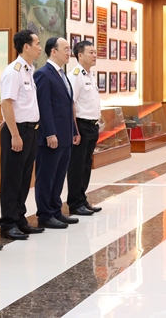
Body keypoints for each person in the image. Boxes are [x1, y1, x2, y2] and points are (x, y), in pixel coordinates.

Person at [0, 29, 44, 241]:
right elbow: (6, 103)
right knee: (12, 179)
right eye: (37, 44)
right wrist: (15, 135)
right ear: (26, 47)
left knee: (25, 178)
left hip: (31, 131)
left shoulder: (29, 70)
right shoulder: (14, 71)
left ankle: (19, 218)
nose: (40, 48)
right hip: (17, 131)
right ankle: (8, 223)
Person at [34, 37, 80, 229]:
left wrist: (74, 130)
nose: (69, 52)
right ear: (53, 52)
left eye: (69, 49)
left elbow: (67, 106)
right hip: (51, 137)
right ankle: (45, 214)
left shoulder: (62, 74)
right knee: (47, 176)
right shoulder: (43, 74)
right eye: (66, 49)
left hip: (65, 135)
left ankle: (55, 210)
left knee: (59, 175)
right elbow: (44, 107)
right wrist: (49, 133)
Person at [66, 40, 103, 216]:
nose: (94, 55)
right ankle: (74, 202)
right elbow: (70, 104)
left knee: (86, 165)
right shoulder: (75, 75)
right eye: (91, 52)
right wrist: (75, 130)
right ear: (80, 55)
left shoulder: (90, 74)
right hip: (81, 125)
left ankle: (82, 198)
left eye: (95, 52)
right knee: (77, 166)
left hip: (92, 125)